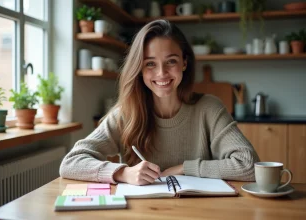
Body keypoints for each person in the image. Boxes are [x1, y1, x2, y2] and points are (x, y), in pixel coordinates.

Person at [60, 19, 259, 186]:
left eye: (171, 61)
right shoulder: (125, 114)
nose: (161, 73)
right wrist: (123, 173)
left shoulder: (210, 108)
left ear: (184, 63)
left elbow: (249, 165)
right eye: (150, 64)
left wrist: (184, 168)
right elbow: (70, 163)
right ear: (139, 68)